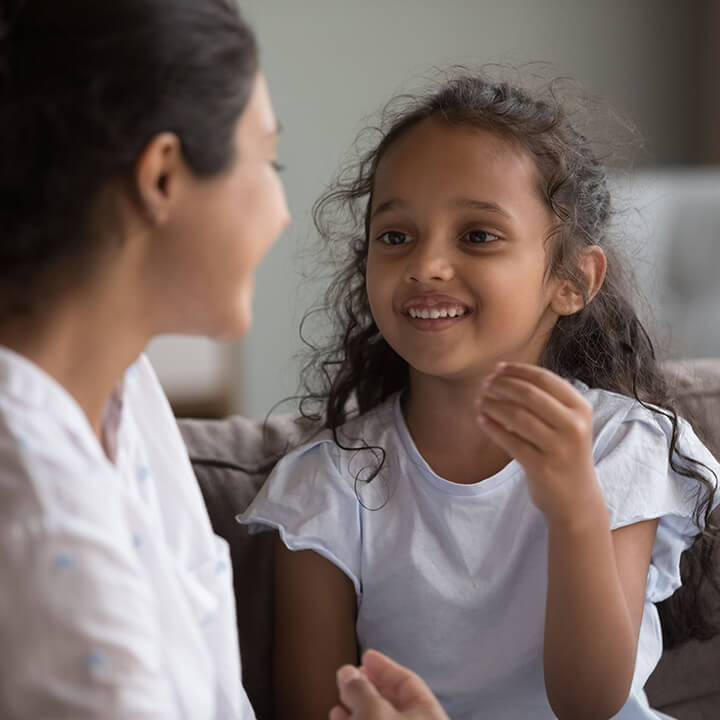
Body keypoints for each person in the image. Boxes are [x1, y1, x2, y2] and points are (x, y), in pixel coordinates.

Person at [239, 73, 720, 719]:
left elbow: (590, 702)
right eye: (396, 236)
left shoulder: (621, 444)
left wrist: (575, 505)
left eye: (477, 236)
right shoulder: (326, 486)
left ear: (573, 280)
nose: (426, 264)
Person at [0, 0, 287, 717]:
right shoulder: (45, 526)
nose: (282, 211)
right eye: (268, 160)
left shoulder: (121, 386)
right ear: (162, 175)